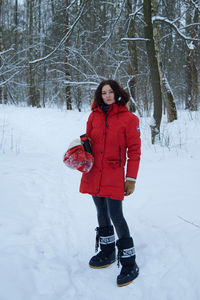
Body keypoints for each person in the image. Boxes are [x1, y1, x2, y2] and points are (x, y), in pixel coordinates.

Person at [80, 79, 141, 287]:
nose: (107, 95)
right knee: (101, 211)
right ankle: (107, 251)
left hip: (114, 173)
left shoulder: (129, 119)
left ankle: (129, 261)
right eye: (103, 92)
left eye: (110, 92)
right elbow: (87, 140)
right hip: (94, 172)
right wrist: (79, 151)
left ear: (117, 94)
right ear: (99, 95)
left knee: (116, 214)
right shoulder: (93, 116)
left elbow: (134, 152)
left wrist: (130, 178)